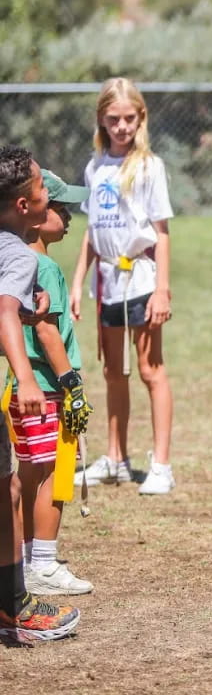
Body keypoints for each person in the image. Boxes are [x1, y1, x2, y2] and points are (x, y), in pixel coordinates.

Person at [70, 77, 176, 495]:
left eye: (129, 118)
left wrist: (162, 289)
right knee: (114, 372)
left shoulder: (149, 166)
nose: (122, 127)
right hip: (107, 283)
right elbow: (92, 231)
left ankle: (162, 465)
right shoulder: (95, 167)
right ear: (101, 119)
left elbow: (161, 232)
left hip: (142, 281)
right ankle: (115, 458)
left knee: (150, 371)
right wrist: (77, 282)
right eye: (113, 119)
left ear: (141, 118)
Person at [0, 144, 80, 642]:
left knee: (8, 488)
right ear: (26, 207)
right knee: (6, 490)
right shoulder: (16, 254)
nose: (49, 193)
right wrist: (27, 377)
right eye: (41, 188)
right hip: (22, 385)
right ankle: (14, 605)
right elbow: (3, 312)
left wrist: (29, 313)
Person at [13, 170, 95, 596]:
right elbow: (47, 331)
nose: (68, 218)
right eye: (61, 210)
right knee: (54, 474)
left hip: (21, 388)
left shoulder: (15, 260)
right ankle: (43, 565)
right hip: (47, 388)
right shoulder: (44, 266)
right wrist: (72, 385)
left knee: (30, 472)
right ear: (35, 215)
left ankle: (28, 557)